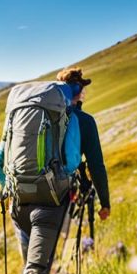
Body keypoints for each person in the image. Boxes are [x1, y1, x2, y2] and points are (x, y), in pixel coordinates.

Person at [0, 80, 82, 274]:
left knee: (29, 267)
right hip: (50, 203)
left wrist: (9, 186)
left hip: (19, 203)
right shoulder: (68, 117)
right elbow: (71, 162)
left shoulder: (14, 118)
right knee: (38, 273)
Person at [57, 67, 111, 222]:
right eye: (82, 88)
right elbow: (96, 166)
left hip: (30, 188)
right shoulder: (85, 121)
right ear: (78, 92)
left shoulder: (45, 117)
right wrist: (105, 204)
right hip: (62, 191)